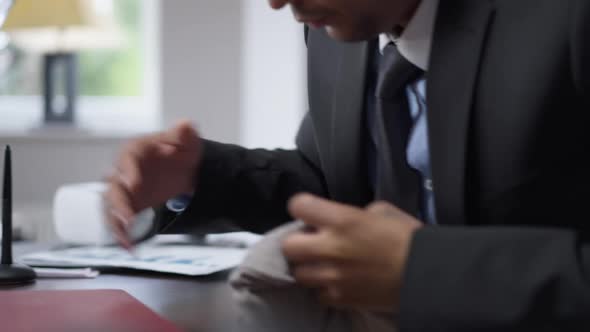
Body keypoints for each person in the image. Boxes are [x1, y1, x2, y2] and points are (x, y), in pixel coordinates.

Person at [106, 0, 590, 330]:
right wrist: (199, 175)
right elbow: (334, 185)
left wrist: (425, 269)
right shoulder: (339, 27)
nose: (274, 2)